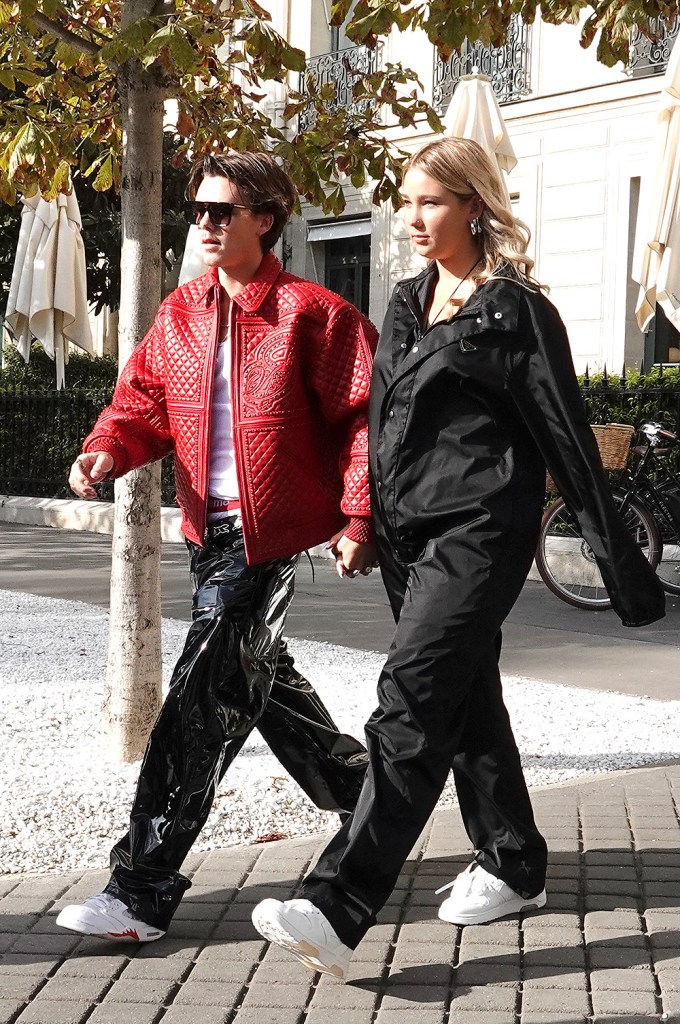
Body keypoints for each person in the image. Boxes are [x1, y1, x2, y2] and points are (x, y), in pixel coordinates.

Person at [251, 136, 666, 981]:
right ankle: (514, 859)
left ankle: (340, 902)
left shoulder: (515, 311)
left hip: (479, 534)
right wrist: (363, 517)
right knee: (466, 698)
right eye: (405, 201)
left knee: (409, 699)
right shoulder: (406, 301)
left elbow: (566, 435)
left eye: (429, 201)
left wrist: (622, 567)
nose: (410, 217)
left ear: (475, 205)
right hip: (408, 538)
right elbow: (382, 422)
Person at [56, 150, 378, 943]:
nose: (203, 223)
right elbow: (143, 401)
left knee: (199, 703)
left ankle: (140, 887)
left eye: (219, 210)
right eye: (198, 210)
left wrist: (359, 516)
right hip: (211, 534)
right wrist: (107, 446)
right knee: (257, 686)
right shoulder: (182, 311)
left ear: (264, 219)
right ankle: (372, 800)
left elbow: (367, 418)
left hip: (265, 543)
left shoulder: (313, 314)